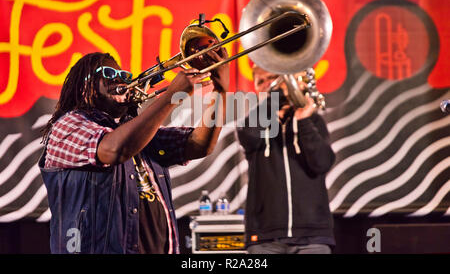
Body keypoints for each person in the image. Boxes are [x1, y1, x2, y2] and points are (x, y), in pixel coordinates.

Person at [39, 49, 229, 254]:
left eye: (124, 76)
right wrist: (170, 97)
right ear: (85, 87)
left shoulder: (140, 133)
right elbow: (114, 150)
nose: (121, 80)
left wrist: (220, 90)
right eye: (109, 74)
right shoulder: (67, 125)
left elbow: (199, 144)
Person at [236, 65, 336, 254]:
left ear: (285, 80)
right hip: (265, 237)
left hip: (312, 236)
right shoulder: (253, 121)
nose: (268, 84)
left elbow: (322, 163)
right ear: (256, 88)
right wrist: (273, 101)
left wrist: (303, 120)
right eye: (261, 81)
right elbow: (249, 137)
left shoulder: (313, 121)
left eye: (273, 77)